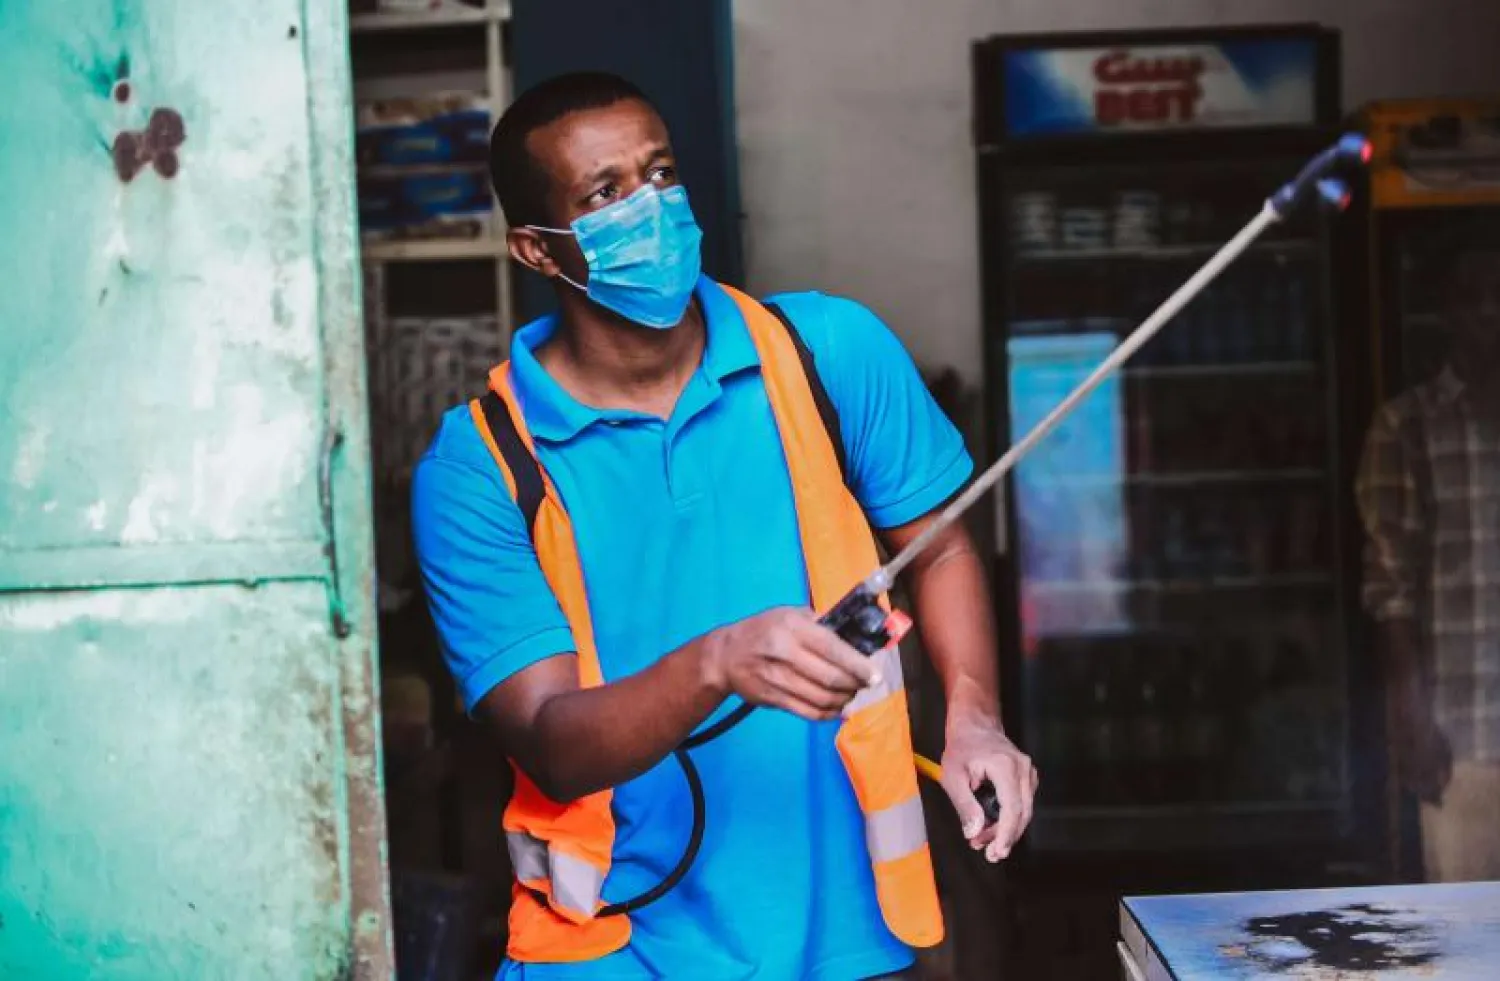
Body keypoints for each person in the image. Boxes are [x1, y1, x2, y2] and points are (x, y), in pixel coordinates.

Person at [411, 71, 1037, 980]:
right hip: (607, 948)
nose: (650, 209)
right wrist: (715, 663)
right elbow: (548, 735)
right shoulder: (480, 467)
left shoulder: (830, 353)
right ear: (538, 251)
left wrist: (975, 716)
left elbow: (938, 546)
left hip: (847, 937)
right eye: (606, 194)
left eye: (660, 174)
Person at [1355, 241, 1500, 883]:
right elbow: (1391, 591)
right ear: (1450, 312)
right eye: (1477, 297)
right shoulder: (1407, 427)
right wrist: (1411, 721)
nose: (1492, 312)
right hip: (1462, 742)